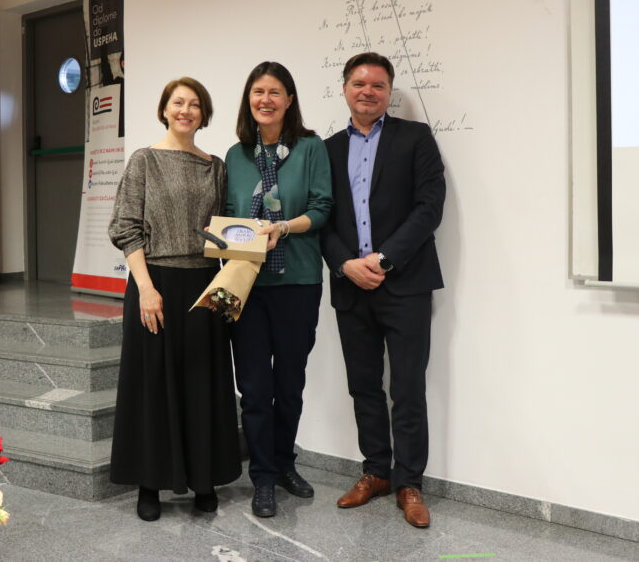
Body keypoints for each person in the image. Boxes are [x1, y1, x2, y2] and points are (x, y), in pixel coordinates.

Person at [320, 52, 446, 528]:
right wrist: (345, 264)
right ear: (345, 88)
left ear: (389, 93)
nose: (368, 91)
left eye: (377, 85)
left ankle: (409, 482)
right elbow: (322, 216)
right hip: (351, 286)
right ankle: (375, 471)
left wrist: (384, 258)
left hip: (405, 284)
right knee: (363, 386)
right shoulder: (327, 149)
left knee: (408, 387)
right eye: (359, 83)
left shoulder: (416, 138)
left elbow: (430, 206)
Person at [108, 77, 241, 521]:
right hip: (155, 282)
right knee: (152, 385)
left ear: (204, 114)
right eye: (178, 102)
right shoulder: (144, 160)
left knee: (202, 383)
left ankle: (203, 479)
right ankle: (149, 483)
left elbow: (225, 232)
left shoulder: (216, 167)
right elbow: (126, 227)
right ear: (165, 109)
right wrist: (146, 289)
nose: (186, 110)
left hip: (205, 282)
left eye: (195, 104)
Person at [225, 61, 333, 518]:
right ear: (248, 99)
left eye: (274, 92)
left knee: (290, 383)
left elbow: (322, 207)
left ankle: (285, 464)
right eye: (258, 92)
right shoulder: (235, 155)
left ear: (289, 100)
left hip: (298, 283)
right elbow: (226, 213)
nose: (265, 100)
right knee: (254, 388)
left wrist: (283, 227)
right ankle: (263, 478)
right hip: (246, 286)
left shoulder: (310, 148)